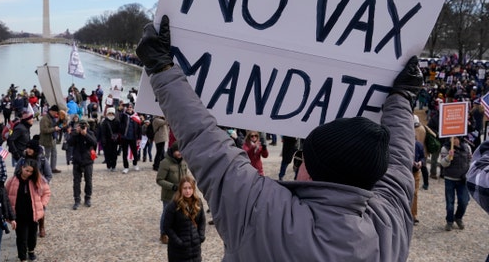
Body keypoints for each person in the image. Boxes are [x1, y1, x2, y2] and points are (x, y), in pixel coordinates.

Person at [136, 16, 421, 260]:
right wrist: (402, 98)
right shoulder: (389, 225)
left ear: (309, 168)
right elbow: (397, 165)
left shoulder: (264, 212)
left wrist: (161, 67)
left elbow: (204, 140)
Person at [6, 158, 51, 262]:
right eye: (27, 170)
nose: (29, 173)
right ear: (22, 168)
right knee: (21, 238)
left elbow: (47, 192)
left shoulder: (38, 180)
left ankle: (31, 251)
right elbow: (6, 195)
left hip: (33, 214)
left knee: (32, 235)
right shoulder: (12, 181)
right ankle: (22, 257)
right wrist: (9, 212)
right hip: (19, 215)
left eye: (31, 171)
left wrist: (42, 204)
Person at [15, 138, 53, 238]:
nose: (28, 150)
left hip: (38, 189)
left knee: (40, 207)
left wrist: (42, 184)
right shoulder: (23, 159)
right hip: (24, 187)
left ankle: (41, 227)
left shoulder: (42, 159)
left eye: (30, 148)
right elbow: (16, 172)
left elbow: (49, 174)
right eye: (27, 148)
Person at [163, 176, 206, 262]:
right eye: (185, 188)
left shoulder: (198, 202)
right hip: (178, 251)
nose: (187, 191)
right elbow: (167, 227)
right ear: (180, 189)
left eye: (190, 188)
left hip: (195, 248)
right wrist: (179, 242)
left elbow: (202, 220)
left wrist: (200, 236)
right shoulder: (173, 205)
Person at [156, 142, 190, 245]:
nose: (179, 153)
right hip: (169, 195)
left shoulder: (183, 162)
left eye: (181, 151)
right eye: (177, 151)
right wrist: (172, 186)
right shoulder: (165, 163)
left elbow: (185, 175)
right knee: (166, 214)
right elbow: (159, 180)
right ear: (173, 151)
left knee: (180, 214)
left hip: (182, 194)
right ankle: (163, 234)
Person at [439, 135, 471, 231]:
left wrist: (468, 172)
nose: (454, 140)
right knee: (450, 202)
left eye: (456, 138)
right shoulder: (445, 148)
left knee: (464, 201)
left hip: (462, 179)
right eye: (452, 138)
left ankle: (458, 217)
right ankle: (449, 221)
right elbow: (443, 164)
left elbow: (470, 161)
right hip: (450, 179)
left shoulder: (467, 147)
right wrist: (449, 157)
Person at [67, 118, 97, 210]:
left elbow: (94, 143)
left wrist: (85, 134)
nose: (83, 127)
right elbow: (70, 143)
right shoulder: (75, 134)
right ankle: (77, 200)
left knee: (88, 180)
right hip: (77, 161)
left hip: (87, 161)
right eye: (81, 126)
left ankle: (87, 198)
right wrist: (76, 133)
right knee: (76, 181)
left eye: (84, 126)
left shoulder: (90, 133)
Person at [119, 103, 141, 173]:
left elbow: (139, 128)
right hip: (125, 137)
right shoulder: (123, 115)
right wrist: (121, 109)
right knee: (125, 153)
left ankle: (135, 164)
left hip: (133, 137)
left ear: (132, 108)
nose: (129, 108)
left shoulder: (136, 117)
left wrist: (139, 138)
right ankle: (126, 167)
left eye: (130, 107)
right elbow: (119, 117)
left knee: (135, 152)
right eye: (128, 107)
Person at [40, 104, 62, 173]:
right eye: (55, 112)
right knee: (46, 155)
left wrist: (60, 122)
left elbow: (54, 125)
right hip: (46, 139)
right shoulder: (45, 119)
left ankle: (53, 168)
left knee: (54, 153)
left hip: (53, 138)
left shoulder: (52, 118)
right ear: (51, 111)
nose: (56, 114)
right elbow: (44, 130)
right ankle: (44, 169)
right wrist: (54, 129)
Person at [99, 107, 120, 171]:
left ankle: (113, 166)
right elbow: (102, 132)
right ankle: (109, 166)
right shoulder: (104, 122)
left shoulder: (117, 121)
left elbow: (119, 130)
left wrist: (117, 137)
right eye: (109, 113)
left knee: (114, 154)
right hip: (107, 140)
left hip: (114, 140)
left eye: (112, 113)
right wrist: (103, 140)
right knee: (107, 154)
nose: (111, 114)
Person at [412, 140, 425, 225]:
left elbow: (423, 157)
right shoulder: (402, 142)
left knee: (414, 194)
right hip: (404, 172)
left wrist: (421, 162)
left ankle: (413, 215)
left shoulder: (418, 144)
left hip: (415, 172)